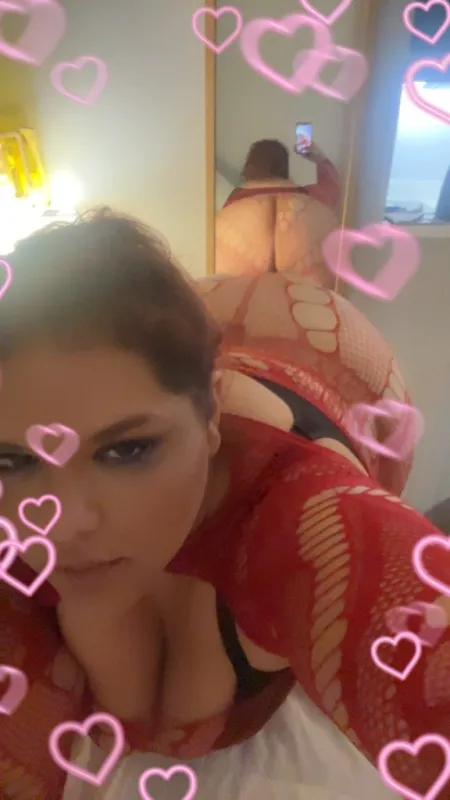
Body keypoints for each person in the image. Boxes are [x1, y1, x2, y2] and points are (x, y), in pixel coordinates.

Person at [0, 208, 449, 800]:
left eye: (127, 449)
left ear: (212, 415)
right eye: (13, 460)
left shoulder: (297, 510)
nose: (63, 524)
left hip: (333, 354)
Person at [215, 138, 341, 284]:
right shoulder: (310, 198)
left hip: (242, 291)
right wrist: (319, 158)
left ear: (249, 167)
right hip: (301, 292)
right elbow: (332, 187)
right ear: (284, 168)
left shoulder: (234, 202)